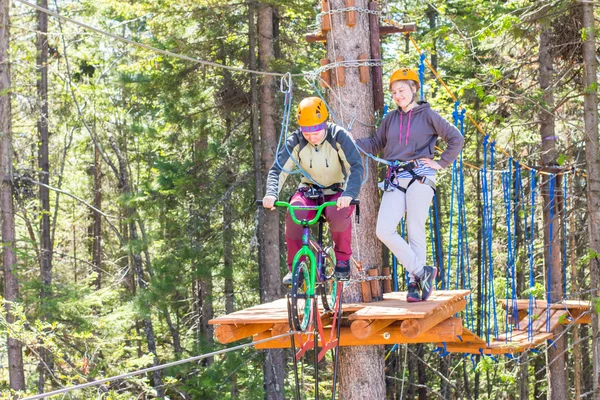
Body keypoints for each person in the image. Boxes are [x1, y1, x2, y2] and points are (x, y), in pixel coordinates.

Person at [356, 68, 464, 302]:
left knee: (415, 228)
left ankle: (416, 285)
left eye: (402, 90)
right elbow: (375, 143)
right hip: (396, 178)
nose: (397, 95)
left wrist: (441, 162)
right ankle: (421, 271)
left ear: (414, 89)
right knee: (383, 230)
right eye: (394, 92)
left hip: (420, 175)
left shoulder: (428, 115)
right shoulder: (391, 119)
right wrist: (350, 142)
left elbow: (456, 138)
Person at [262, 96, 364, 284]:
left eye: (315, 131)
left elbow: (356, 167)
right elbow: (278, 170)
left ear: (324, 123)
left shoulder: (338, 136)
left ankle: (342, 261)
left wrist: (349, 194)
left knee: (339, 214)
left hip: (337, 191)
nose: (311, 136)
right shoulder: (296, 140)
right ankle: (296, 268)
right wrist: (271, 194)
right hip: (309, 191)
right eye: (306, 132)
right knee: (295, 213)